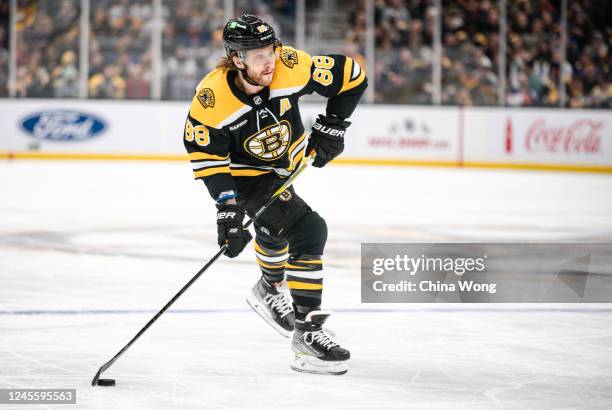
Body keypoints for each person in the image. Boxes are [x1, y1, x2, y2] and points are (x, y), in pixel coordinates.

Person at [182, 14, 367, 375]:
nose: (269, 62)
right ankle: (306, 334)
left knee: (274, 225)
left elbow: (352, 76)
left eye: (271, 50)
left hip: (286, 166)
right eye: (258, 56)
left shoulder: (292, 66)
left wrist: (333, 126)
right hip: (246, 177)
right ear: (237, 59)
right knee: (309, 230)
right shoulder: (212, 100)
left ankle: (268, 289)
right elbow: (207, 157)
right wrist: (227, 209)